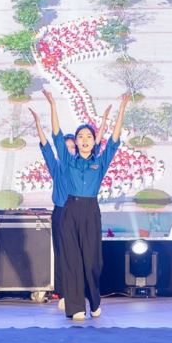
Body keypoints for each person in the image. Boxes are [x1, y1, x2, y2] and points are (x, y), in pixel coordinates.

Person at [44, 90, 130, 321]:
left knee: (92, 261)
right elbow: (56, 134)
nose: (84, 140)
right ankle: (76, 308)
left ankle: (94, 300)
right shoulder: (68, 160)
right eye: (80, 136)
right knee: (71, 261)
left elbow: (114, 140)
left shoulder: (100, 162)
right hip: (70, 211)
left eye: (88, 137)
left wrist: (121, 110)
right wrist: (53, 106)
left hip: (91, 212)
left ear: (93, 142)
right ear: (76, 141)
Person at [30, 104, 111, 311]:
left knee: (88, 257)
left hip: (83, 211)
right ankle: (65, 293)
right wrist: (39, 124)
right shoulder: (58, 166)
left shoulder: (81, 164)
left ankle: (85, 296)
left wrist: (103, 123)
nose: (69, 149)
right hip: (62, 213)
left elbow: (97, 144)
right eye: (65, 147)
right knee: (64, 255)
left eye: (71, 147)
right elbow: (46, 146)